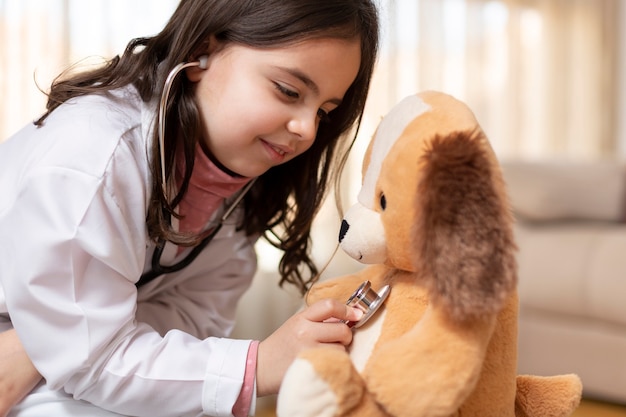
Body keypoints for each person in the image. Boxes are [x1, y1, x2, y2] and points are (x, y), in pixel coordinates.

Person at [0, 0, 379, 415]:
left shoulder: (234, 183)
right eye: (288, 91)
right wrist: (258, 366)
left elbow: (194, 318)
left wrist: (42, 344)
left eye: (324, 111)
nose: (306, 129)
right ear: (202, 52)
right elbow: (93, 362)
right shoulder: (94, 155)